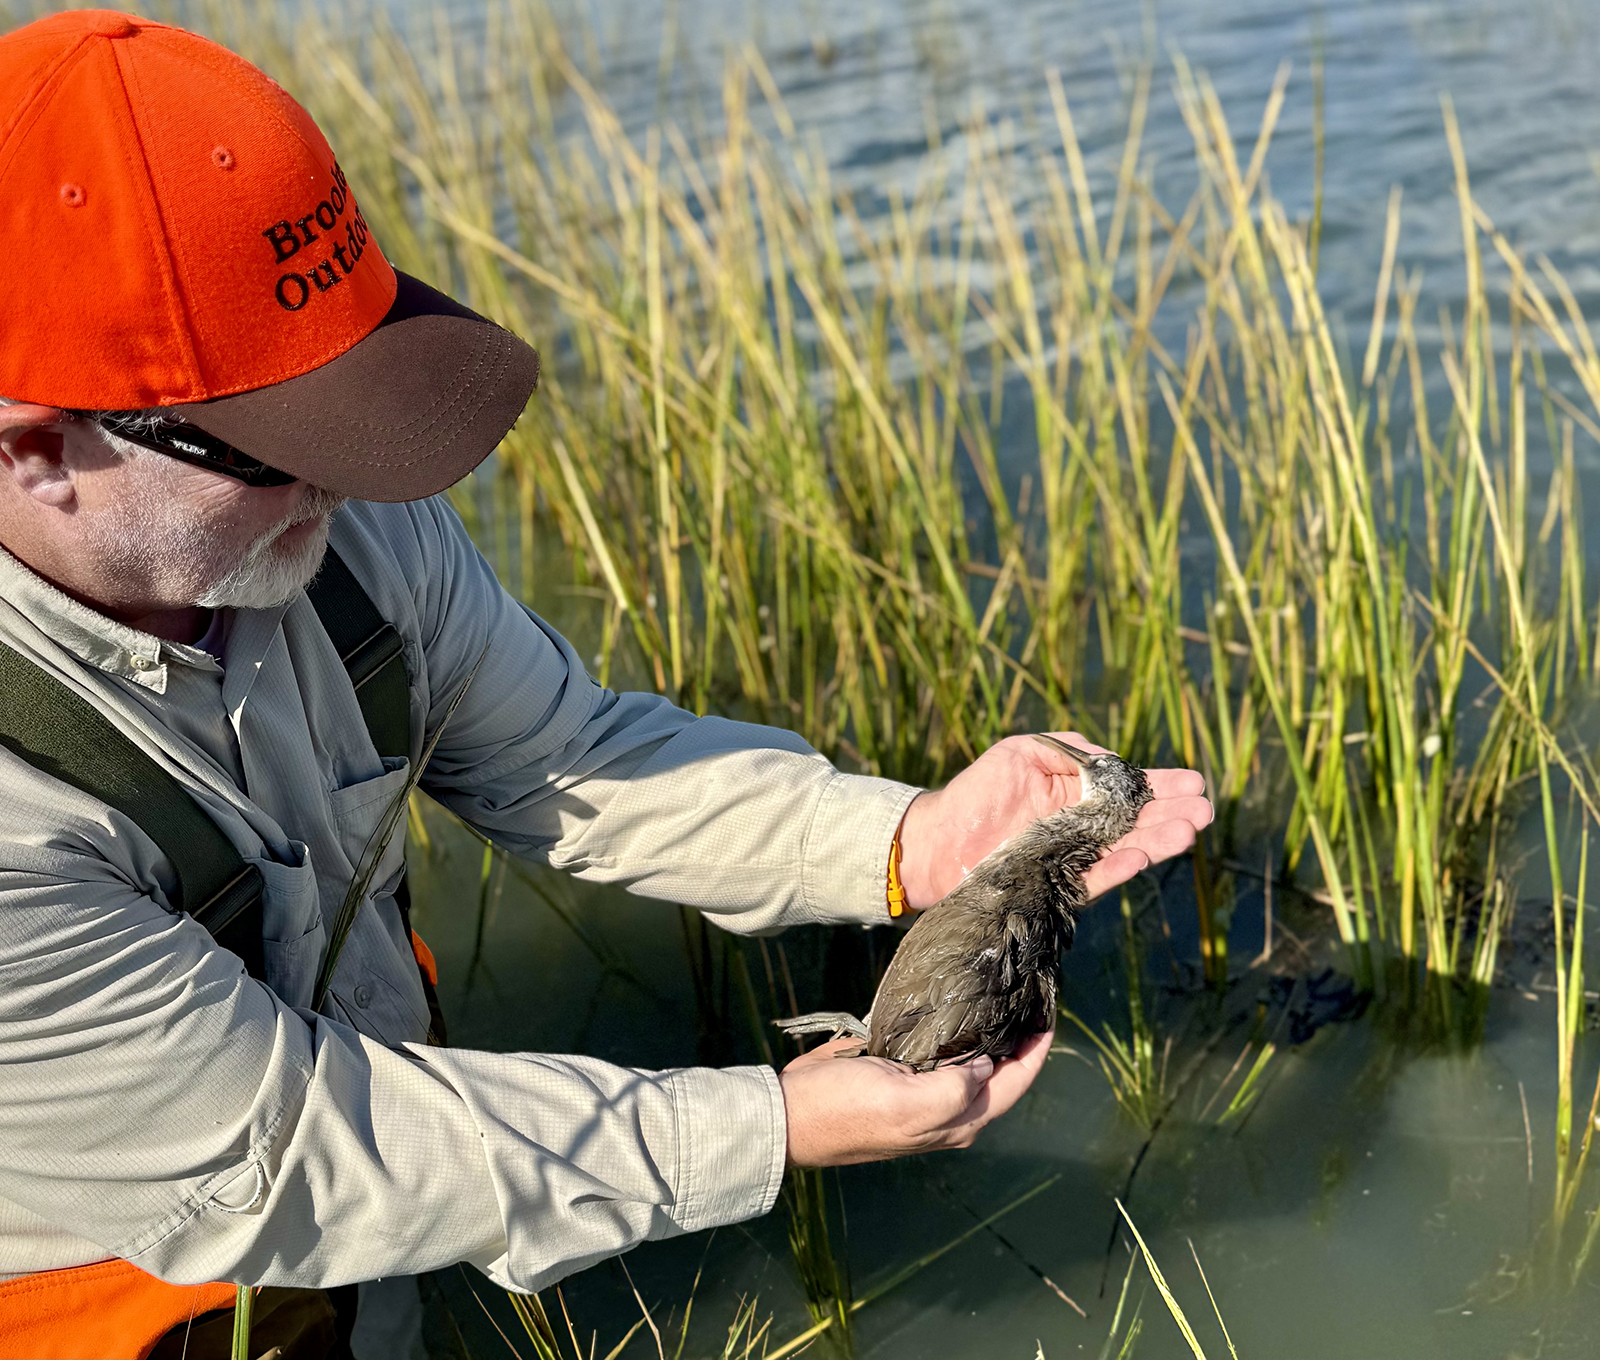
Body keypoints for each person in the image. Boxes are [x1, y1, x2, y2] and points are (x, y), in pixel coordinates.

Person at [0, 10, 1213, 1359]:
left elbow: (567, 759)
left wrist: (910, 841)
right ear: (40, 450)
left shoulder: (332, 534)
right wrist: (769, 1128)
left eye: (349, 397)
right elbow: (302, 1145)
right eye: (285, 444)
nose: (355, 484)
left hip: (394, 1226)